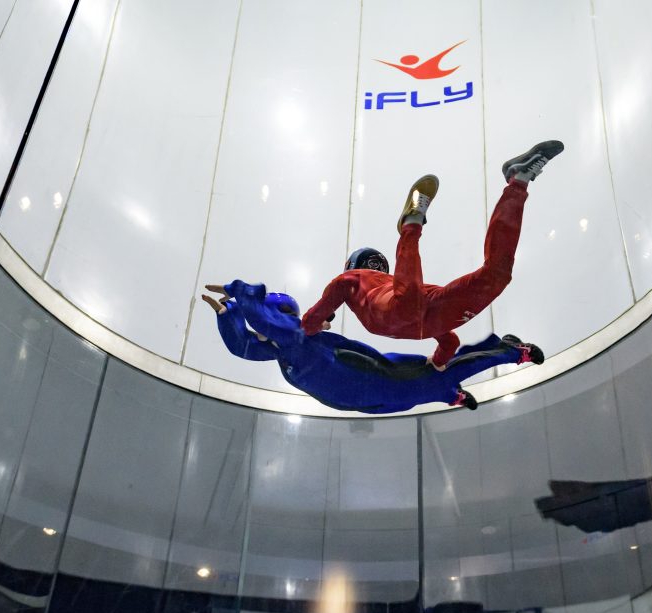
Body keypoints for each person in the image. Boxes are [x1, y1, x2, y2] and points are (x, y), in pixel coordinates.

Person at [300, 140, 563, 369]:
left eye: (378, 267)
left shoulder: (353, 280)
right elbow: (450, 341)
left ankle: (415, 221)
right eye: (372, 266)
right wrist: (437, 363)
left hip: (422, 305)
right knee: (493, 278)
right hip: (426, 314)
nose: (376, 271)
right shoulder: (352, 279)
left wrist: (315, 322)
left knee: (491, 277)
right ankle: (516, 181)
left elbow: (313, 318)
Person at [201, 280, 543, 413]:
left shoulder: (296, 340)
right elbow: (243, 346)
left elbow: (263, 325)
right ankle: (449, 394)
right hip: (363, 397)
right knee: (420, 391)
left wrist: (240, 295)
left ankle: (510, 350)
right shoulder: (283, 354)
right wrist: (227, 313)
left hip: (373, 378)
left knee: (432, 378)